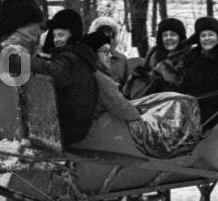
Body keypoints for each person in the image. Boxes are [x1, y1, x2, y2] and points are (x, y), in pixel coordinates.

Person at [81, 31, 203, 159]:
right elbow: (122, 107)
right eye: (105, 51)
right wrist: (137, 110)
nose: (110, 55)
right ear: (93, 54)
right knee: (164, 119)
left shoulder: (89, 73)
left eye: (173, 34)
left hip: (106, 120)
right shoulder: (101, 79)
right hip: (110, 127)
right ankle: (177, 145)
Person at [30, 22, 99, 146]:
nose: (56, 39)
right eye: (54, 35)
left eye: (61, 35)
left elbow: (53, 72)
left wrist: (22, 60)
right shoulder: (80, 56)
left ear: (73, 35)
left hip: (65, 128)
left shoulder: (70, 58)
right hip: (75, 127)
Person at [178, 16, 218, 127]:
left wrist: (196, 102)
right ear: (199, 39)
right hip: (189, 110)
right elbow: (184, 86)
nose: (207, 38)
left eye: (211, 34)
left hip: (213, 116)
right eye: (203, 35)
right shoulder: (192, 60)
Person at [122, 17, 190, 99]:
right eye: (165, 35)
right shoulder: (154, 53)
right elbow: (145, 81)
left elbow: (184, 85)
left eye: (173, 34)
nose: (168, 38)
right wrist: (137, 76)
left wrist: (162, 71)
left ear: (180, 37)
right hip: (148, 102)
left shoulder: (189, 56)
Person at [88, 16, 130, 85]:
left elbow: (126, 89)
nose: (107, 40)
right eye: (103, 36)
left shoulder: (122, 60)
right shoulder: (87, 58)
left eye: (110, 37)